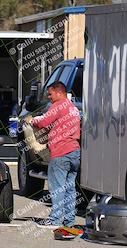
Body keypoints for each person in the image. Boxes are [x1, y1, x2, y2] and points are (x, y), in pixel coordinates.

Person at [25, 81, 80, 228]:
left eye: (50, 93)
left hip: (61, 152)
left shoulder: (59, 105)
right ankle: (69, 222)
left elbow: (44, 121)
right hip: (74, 151)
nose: (49, 97)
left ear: (59, 92)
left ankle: (55, 219)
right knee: (70, 189)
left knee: (57, 188)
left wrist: (32, 120)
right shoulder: (72, 108)